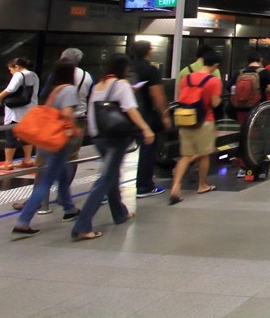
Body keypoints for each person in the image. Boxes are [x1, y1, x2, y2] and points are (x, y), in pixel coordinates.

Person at [71, 54, 154, 241]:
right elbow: (130, 109)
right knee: (105, 179)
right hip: (117, 137)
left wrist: (94, 134)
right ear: (124, 68)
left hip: (100, 136)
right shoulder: (122, 85)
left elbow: (93, 113)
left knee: (112, 176)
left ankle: (120, 213)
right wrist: (146, 128)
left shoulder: (99, 85)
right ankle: (82, 225)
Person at [12, 48, 94, 214]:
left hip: (54, 123)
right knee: (70, 160)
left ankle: (40, 203)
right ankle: (64, 201)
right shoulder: (87, 76)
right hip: (78, 122)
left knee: (43, 163)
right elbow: (91, 99)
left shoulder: (57, 76)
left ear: (62, 58)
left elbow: (44, 96)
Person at [11, 62, 82, 238]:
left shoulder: (53, 90)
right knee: (46, 182)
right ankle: (23, 221)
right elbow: (66, 114)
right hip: (57, 141)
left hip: (44, 140)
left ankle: (69, 209)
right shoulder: (69, 90)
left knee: (63, 175)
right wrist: (74, 128)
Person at [168, 50, 222, 204]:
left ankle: (175, 186)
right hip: (205, 120)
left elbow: (181, 96)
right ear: (215, 65)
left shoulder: (187, 78)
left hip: (186, 119)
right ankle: (202, 185)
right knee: (204, 155)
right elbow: (214, 103)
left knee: (185, 156)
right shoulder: (213, 81)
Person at [129, 40, 170, 198]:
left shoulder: (127, 68)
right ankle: (144, 186)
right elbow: (157, 95)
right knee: (147, 151)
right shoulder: (150, 69)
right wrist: (165, 115)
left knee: (116, 154)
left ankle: (107, 189)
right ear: (149, 52)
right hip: (145, 115)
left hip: (125, 117)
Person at [228, 54, 270, 178]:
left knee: (244, 134)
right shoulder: (264, 73)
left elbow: (230, 88)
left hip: (240, 109)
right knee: (257, 135)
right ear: (260, 60)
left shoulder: (238, 73)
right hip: (257, 109)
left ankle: (242, 166)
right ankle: (255, 163)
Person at [0, 58, 38, 170]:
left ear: (17, 66)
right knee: (26, 136)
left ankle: (8, 163)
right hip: (30, 111)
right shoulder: (33, 75)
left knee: (10, 136)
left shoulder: (19, 75)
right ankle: (27, 160)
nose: (10, 72)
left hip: (16, 112)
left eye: (11, 69)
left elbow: (11, 89)